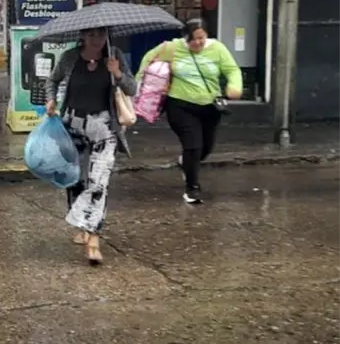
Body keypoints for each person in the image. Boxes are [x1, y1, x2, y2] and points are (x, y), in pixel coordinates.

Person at [45, 27, 137, 265]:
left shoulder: (114, 55)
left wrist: (117, 73)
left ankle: (93, 239)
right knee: (74, 179)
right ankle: (81, 223)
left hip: (104, 126)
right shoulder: (70, 57)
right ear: (83, 36)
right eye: (92, 35)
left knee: (99, 183)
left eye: (101, 34)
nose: (97, 39)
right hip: (72, 124)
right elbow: (52, 81)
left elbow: (132, 89)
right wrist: (51, 99)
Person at [137, 18, 242, 204]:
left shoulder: (217, 48)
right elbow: (148, 59)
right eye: (193, 39)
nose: (198, 43)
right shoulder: (172, 48)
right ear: (185, 38)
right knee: (193, 145)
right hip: (180, 105)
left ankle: (185, 163)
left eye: (202, 38)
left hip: (210, 106)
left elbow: (232, 69)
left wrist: (234, 86)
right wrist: (138, 85)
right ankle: (192, 188)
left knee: (206, 147)